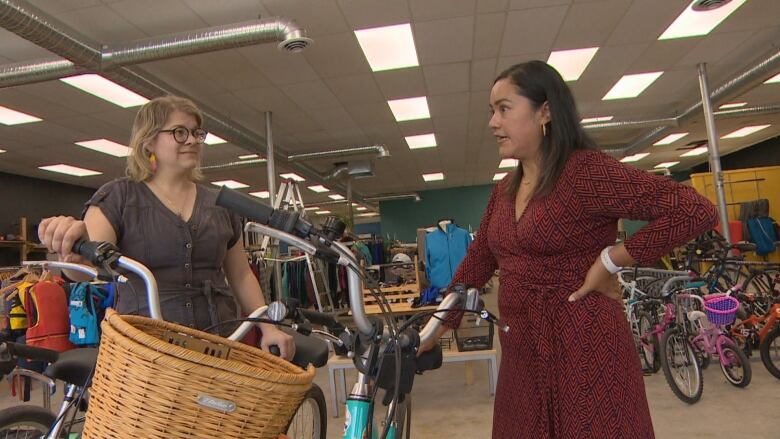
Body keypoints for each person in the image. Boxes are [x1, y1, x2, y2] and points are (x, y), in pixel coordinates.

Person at [418, 61, 718, 438]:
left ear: (545, 111)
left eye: (504, 109)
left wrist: (611, 260)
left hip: (586, 350)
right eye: (491, 112)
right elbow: (478, 262)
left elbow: (693, 211)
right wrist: (434, 327)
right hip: (523, 356)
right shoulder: (504, 189)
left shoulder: (585, 172)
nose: (493, 122)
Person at [37, 95, 295, 360]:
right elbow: (84, 268)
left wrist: (267, 326)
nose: (193, 140)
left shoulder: (220, 205)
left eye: (197, 133)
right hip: (146, 351)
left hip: (217, 342)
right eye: (180, 132)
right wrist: (70, 251)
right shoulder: (119, 198)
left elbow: (241, 275)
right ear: (148, 140)